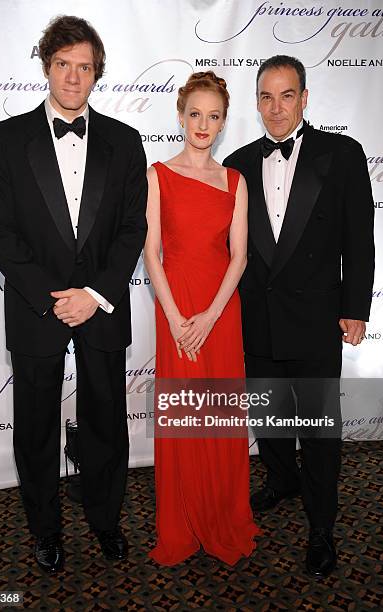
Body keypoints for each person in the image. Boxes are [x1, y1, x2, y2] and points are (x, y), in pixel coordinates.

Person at [0, 15, 147, 573]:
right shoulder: (6, 140)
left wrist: (94, 294)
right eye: (63, 64)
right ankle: (44, 529)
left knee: (106, 421)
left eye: (85, 67)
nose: (74, 77)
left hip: (99, 307)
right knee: (34, 427)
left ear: (97, 73)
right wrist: (53, 297)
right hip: (36, 307)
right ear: (46, 65)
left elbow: (132, 229)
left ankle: (105, 521)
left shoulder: (126, 142)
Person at [224, 55, 374, 578]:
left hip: (316, 317)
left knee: (317, 428)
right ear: (256, 102)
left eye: (287, 96)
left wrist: (355, 309)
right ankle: (281, 479)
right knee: (268, 415)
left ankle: (321, 528)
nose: (276, 108)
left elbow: (359, 239)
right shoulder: (238, 161)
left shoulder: (343, 153)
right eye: (266, 97)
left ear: (305, 98)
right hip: (258, 315)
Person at [144, 71, 260, 566]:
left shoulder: (235, 181)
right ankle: (182, 522)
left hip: (219, 311)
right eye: (195, 114)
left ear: (223, 122)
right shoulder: (157, 175)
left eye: (213, 117)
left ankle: (222, 513)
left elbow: (239, 258)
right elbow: (151, 254)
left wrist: (211, 317)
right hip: (176, 307)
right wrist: (174, 318)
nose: (203, 124)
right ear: (181, 114)